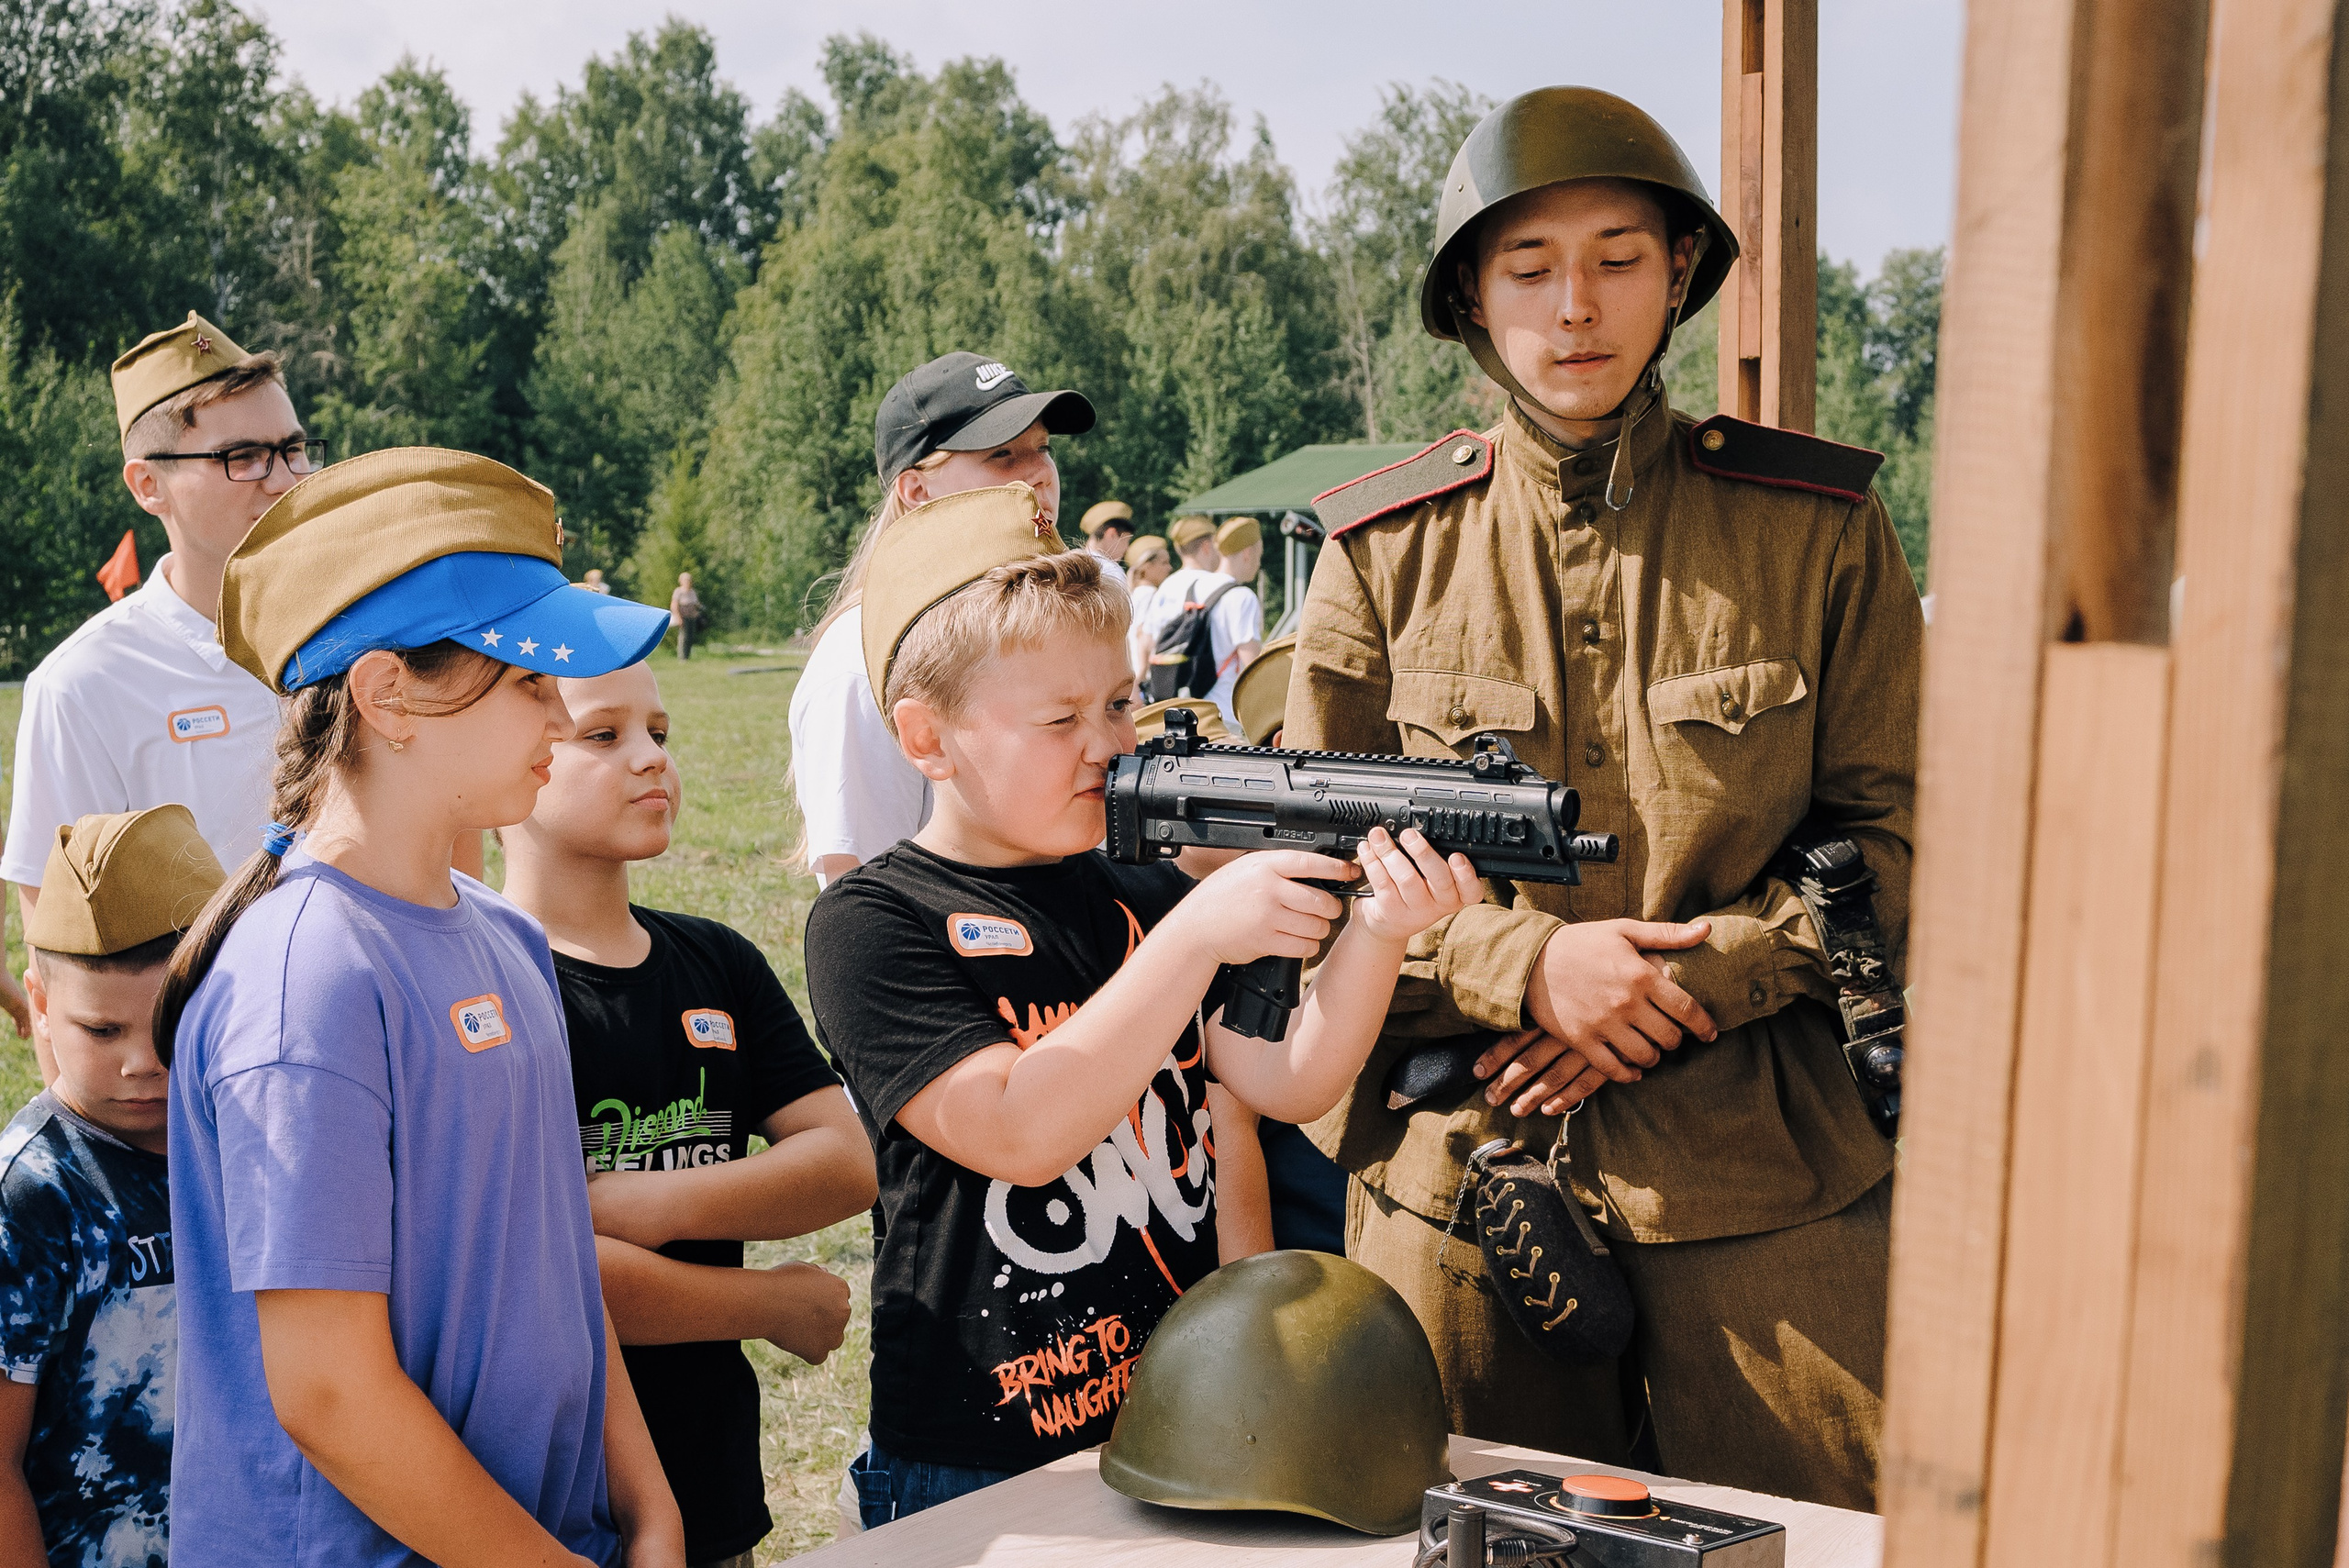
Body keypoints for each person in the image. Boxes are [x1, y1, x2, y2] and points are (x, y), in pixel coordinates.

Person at [1287, 86, 1921, 1510]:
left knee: (1821, 1540)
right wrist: (1529, 964)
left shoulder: (1817, 529)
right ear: (1471, 295)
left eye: (1620, 258)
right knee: (1459, 1538)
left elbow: (1901, 831)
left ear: (1680, 274)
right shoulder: (1385, 548)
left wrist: (1696, 978)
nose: (1577, 306)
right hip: (1469, 1169)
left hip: (1768, 1178)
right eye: (1530, 268)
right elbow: (1305, 865)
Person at [802, 483, 1486, 1527]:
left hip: (1179, 1420)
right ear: (926, 737)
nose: (1107, 741)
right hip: (978, 1453)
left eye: (1119, 703)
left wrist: (1380, 929)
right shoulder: (874, 918)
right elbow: (1016, 1127)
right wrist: (1201, 929)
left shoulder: (1141, 890)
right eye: (1060, 717)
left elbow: (1285, 1074)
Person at [158, 448, 686, 1566]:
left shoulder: (502, 935)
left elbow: (553, 1265)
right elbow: (330, 1393)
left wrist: (646, 1504)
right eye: (530, 679)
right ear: (389, 692)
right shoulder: (306, 981)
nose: (559, 712)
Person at [500, 659, 877, 1566]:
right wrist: (764, 1301)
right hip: (552, 1491)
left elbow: (845, 1159)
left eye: (659, 733)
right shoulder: (489, 985)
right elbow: (550, 1274)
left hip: (707, 1476)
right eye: (605, 734)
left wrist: (643, 1203)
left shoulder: (717, 960)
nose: (650, 760)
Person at [1, 312, 310, 1069]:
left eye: (293, 448)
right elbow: (61, 941)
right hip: (188, 1076)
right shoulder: (84, 684)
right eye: (242, 455)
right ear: (148, 484)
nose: (282, 478)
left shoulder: (355, 637)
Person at [0, 805, 224, 1567]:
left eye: (172, 1021)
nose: (142, 1062)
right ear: (39, 1003)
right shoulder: (27, 1196)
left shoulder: (252, 1142)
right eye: (102, 1030)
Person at [787, 352, 1094, 886]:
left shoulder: (1052, 626)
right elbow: (861, 895)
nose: (1039, 473)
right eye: (1003, 454)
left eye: (1042, 448)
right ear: (916, 490)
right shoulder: (859, 664)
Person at [1142, 517, 1264, 728]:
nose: (1259, 563)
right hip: (1221, 715)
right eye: (1259, 556)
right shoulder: (1242, 596)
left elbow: (1148, 640)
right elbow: (1254, 668)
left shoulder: (1192, 586)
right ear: (1247, 553)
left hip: (1178, 711)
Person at [1121, 534, 1172, 681]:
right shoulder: (1151, 595)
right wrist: (1142, 676)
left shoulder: (1133, 594)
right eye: (1164, 563)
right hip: (1145, 676)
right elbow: (1142, 635)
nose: (1169, 568)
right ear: (1147, 566)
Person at [1074, 500, 1134, 584]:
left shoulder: (1071, 562)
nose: (1127, 548)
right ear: (1111, 534)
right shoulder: (1111, 570)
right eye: (1126, 540)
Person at [667, 574, 704, 661]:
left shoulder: (692, 592)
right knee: (683, 637)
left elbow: (696, 604)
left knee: (690, 636)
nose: (688, 582)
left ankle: (687, 656)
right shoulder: (678, 591)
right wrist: (678, 617)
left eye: (689, 580)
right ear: (681, 581)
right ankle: (682, 657)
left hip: (692, 617)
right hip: (682, 616)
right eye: (686, 580)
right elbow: (674, 605)